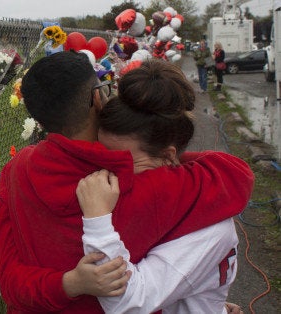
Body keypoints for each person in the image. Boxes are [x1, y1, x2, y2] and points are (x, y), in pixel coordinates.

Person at [0, 52, 253, 313]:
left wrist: (66, 284)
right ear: (98, 98)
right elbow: (235, 176)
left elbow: (10, 285)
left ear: (39, 118)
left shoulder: (15, 172)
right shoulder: (142, 183)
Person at [75, 60, 244, 313]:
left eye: (125, 161)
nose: (108, 173)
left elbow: (130, 303)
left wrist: (98, 221)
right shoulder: (184, 198)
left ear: (167, 156)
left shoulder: (208, 229)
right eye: (103, 156)